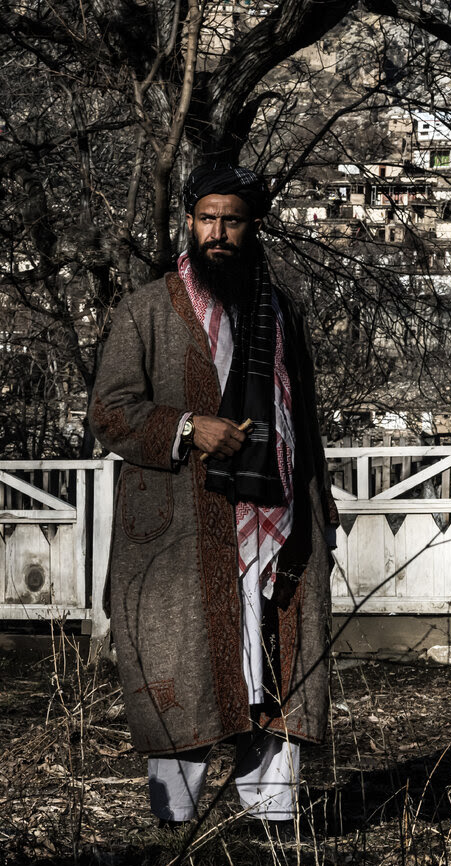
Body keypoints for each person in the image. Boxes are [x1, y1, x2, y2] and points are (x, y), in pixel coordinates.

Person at [88, 164, 337, 828]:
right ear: (190, 222)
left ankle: (274, 837)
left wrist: (322, 518)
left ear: (253, 226)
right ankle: (176, 836)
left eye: (232, 219)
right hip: (177, 538)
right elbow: (109, 413)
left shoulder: (283, 313)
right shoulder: (145, 309)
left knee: (276, 682)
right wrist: (188, 429)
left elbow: (303, 422)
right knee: (186, 681)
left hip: (278, 524)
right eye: (207, 218)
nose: (218, 232)